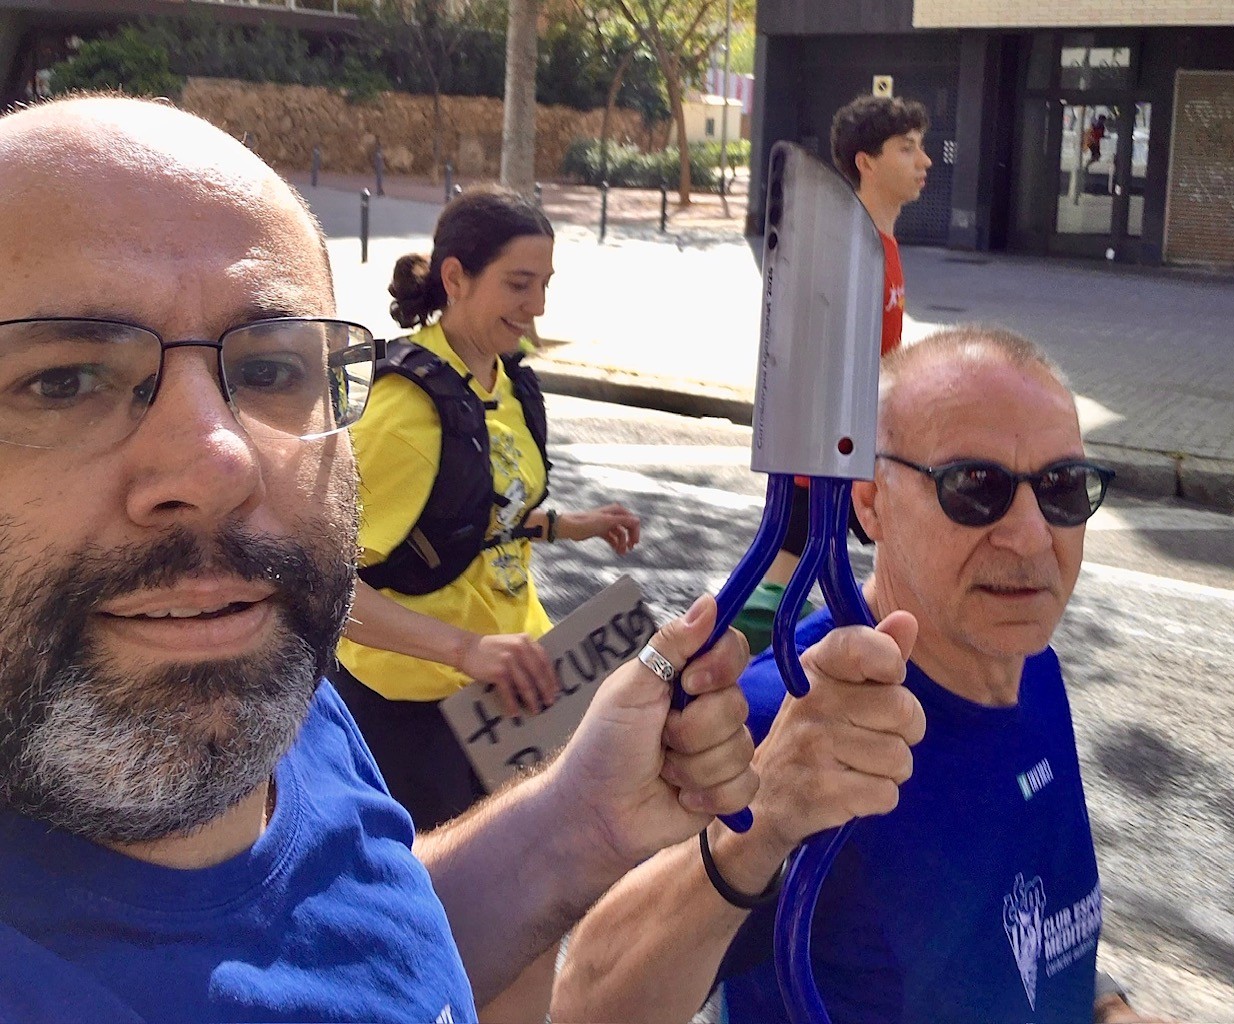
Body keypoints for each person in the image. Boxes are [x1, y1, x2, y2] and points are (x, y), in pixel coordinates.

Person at [0, 96, 925, 1024]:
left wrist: (580, 820)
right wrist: (464, 651)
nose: (218, 464)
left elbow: (364, 932)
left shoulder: (275, 686)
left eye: (270, 370)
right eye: (63, 381)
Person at [556, 326, 1159, 1024]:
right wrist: (761, 825)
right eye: (975, 487)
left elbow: (1018, 930)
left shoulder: (1032, 665)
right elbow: (588, 1004)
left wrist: (1107, 1006)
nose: (1030, 537)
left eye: (1062, 487)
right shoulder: (789, 717)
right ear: (869, 501)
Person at [335, 187, 641, 833]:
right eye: (519, 284)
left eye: (545, 285)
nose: (538, 307)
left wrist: (569, 525)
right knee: (453, 886)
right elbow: (328, 588)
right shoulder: (403, 414)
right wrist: (466, 648)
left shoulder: (508, 381)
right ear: (456, 279)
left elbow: (469, 515)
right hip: (416, 713)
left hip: (513, 688)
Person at [733, 94, 932, 653]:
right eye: (907, 149)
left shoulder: (880, 244)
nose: (924, 162)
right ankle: (736, 669)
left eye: (921, 148)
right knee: (782, 579)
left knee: (811, 572)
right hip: (829, 452)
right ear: (866, 162)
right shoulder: (850, 247)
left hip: (860, 444)